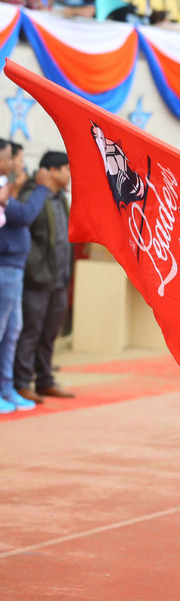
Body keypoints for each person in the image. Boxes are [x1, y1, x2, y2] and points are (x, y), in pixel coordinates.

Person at [14, 151, 72, 404]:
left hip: (59, 279)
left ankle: (45, 380)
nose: (70, 175)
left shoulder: (62, 199)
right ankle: (21, 382)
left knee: (50, 332)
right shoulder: (32, 196)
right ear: (51, 171)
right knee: (31, 332)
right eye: (66, 169)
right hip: (38, 278)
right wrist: (34, 269)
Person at [0, 140, 53, 413]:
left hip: (15, 267)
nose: (18, 165)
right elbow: (23, 215)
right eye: (14, 159)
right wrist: (40, 188)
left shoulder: (8, 187)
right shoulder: (4, 188)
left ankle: (6, 388)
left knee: (12, 332)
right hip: (6, 266)